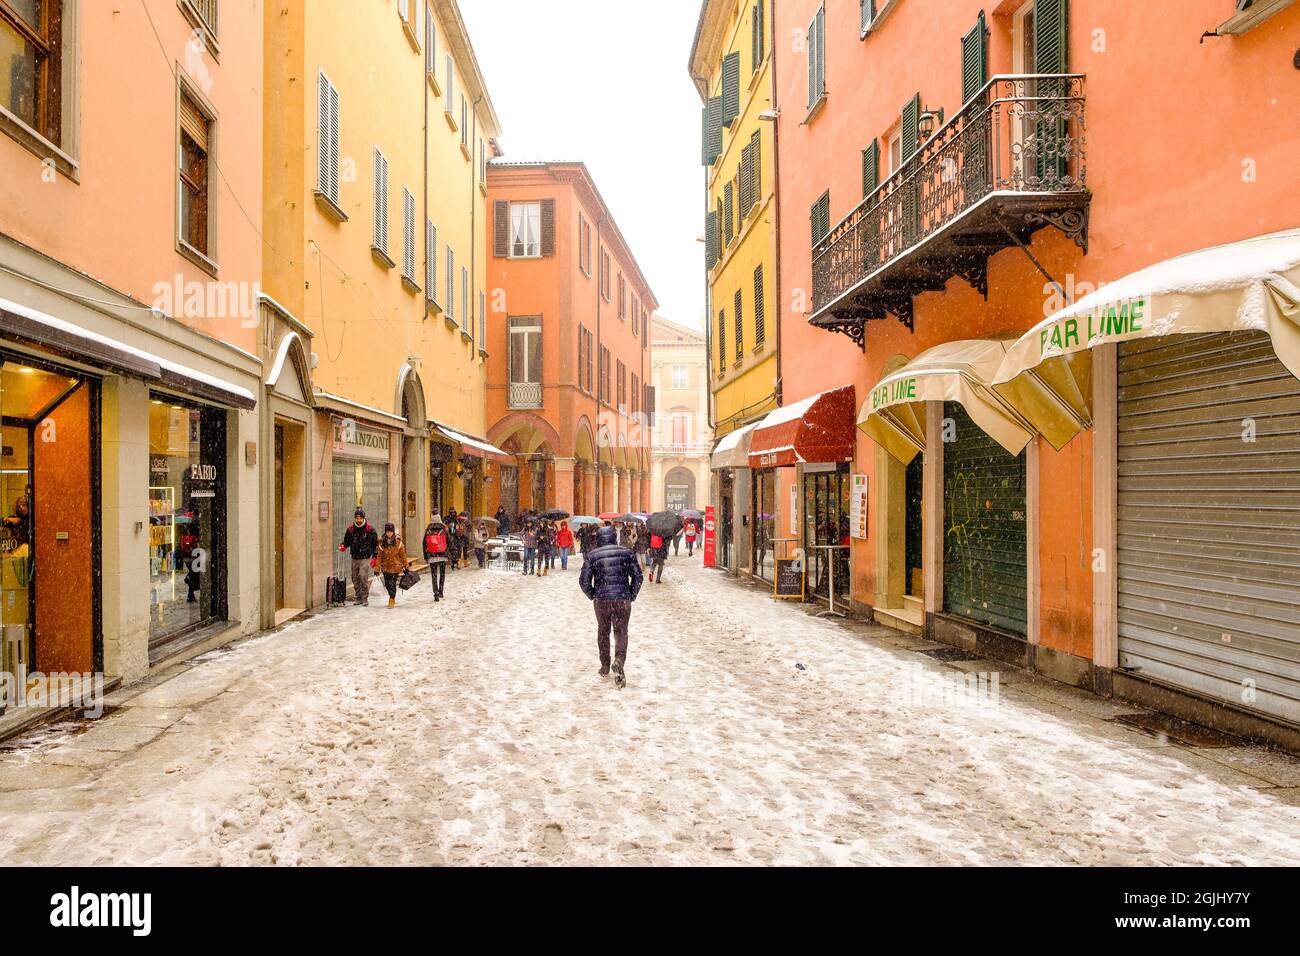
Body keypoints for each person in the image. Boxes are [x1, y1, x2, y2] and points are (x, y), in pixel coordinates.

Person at [579, 525, 643, 690]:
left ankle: (605, 665)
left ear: (599, 538)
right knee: (621, 632)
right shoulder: (627, 552)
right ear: (614, 537)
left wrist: (592, 594)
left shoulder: (592, 555)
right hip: (622, 599)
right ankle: (619, 661)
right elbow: (638, 575)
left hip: (602, 600)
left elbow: (584, 581)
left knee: (603, 631)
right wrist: (631, 594)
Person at [339, 508, 379, 606]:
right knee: (354, 577)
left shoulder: (370, 529)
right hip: (354, 557)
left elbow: (375, 544)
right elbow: (347, 541)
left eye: (360, 518)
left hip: (365, 557)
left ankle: (365, 598)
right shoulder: (351, 530)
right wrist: (343, 545)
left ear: (363, 518)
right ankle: (358, 597)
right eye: (357, 518)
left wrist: (375, 556)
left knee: (363, 576)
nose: (359, 520)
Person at [376, 522, 411, 609]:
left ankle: (391, 599)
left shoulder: (398, 542)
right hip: (385, 567)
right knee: (387, 584)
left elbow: (403, 556)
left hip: (395, 567)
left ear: (393, 532)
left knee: (392, 584)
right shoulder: (381, 543)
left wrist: (406, 566)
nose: (389, 533)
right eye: (387, 532)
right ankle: (392, 596)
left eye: (390, 532)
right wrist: (377, 568)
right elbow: (379, 556)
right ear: (385, 532)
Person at [423, 516, 450, 601]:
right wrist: (449, 554)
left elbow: (424, 544)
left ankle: (436, 593)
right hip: (442, 555)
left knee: (434, 575)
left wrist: (425, 556)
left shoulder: (428, 530)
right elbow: (449, 541)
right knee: (442, 574)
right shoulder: (444, 529)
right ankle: (441, 591)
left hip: (432, 556)